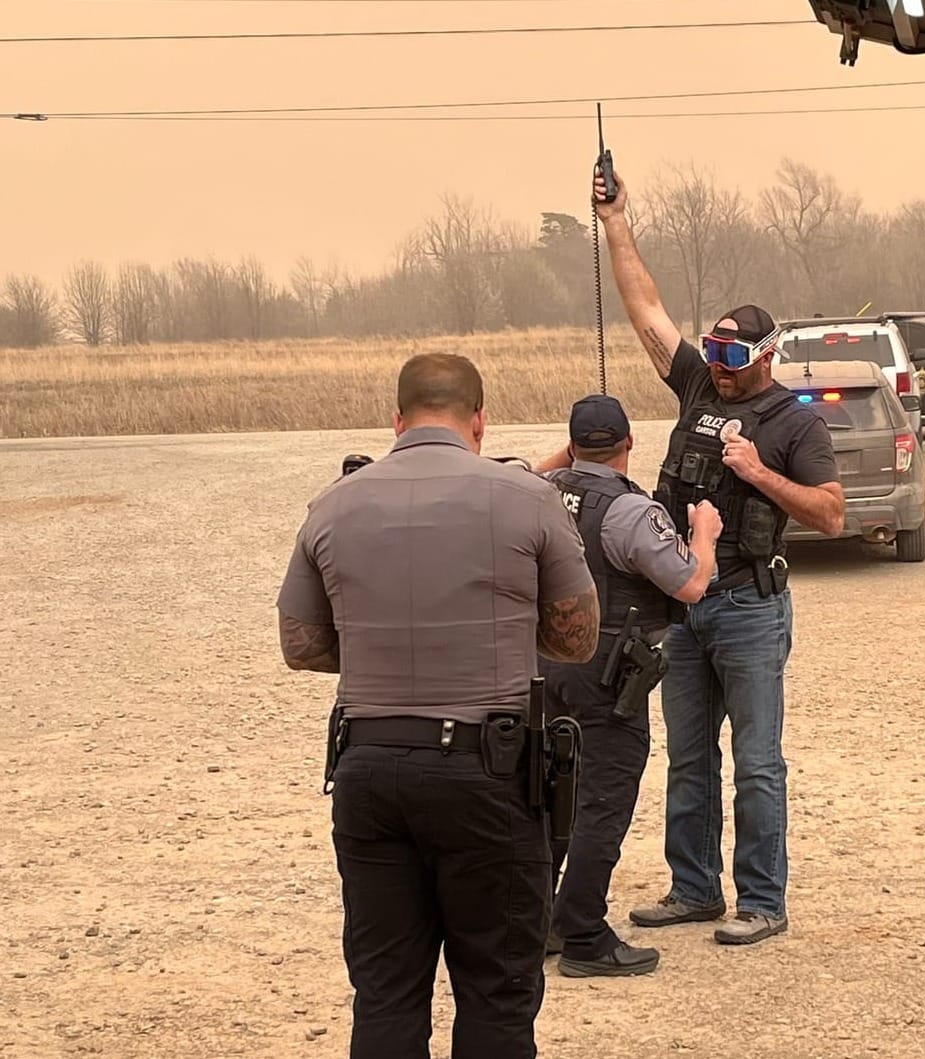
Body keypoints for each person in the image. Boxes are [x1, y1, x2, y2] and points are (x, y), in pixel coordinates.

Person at [275, 351, 599, 1059]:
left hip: (369, 768)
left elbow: (301, 644)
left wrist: (374, 644)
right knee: (495, 994)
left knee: (386, 992)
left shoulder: (333, 504)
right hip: (489, 772)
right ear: (478, 421)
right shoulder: (528, 497)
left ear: (396, 420)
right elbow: (578, 636)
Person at [592, 166, 845, 946]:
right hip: (688, 603)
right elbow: (643, 310)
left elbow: (832, 515)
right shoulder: (698, 385)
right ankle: (694, 889)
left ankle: (762, 900)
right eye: (716, 352)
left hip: (752, 608)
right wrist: (615, 222)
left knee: (759, 764)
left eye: (736, 357)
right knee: (688, 758)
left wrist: (757, 473)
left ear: (770, 355)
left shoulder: (794, 423)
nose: (723, 366)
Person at [530, 393, 724, 977]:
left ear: (571, 442)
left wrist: (565, 458)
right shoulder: (630, 511)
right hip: (607, 671)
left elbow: (521, 471)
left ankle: (540, 922)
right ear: (630, 442)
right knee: (602, 803)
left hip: (545, 666)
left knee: (548, 801)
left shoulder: (539, 492)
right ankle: (584, 931)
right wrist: (705, 533)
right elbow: (690, 584)